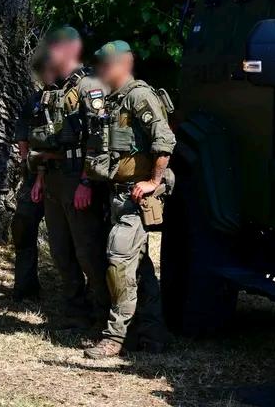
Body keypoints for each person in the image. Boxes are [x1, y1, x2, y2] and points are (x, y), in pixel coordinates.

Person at [83, 40, 173, 359]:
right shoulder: (113, 100)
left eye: (106, 63)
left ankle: (114, 337)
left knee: (118, 261)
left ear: (125, 63)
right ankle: (152, 334)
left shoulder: (139, 96)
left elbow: (164, 141)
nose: (101, 69)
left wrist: (153, 182)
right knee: (139, 268)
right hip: (118, 195)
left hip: (138, 197)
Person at [26, 26, 110, 330]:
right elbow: (45, 139)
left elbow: (100, 139)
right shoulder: (52, 90)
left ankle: (103, 313)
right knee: (61, 251)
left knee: (88, 251)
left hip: (78, 178)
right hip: (53, 180)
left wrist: (87, 181)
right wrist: (39, 178)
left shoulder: (90, 86)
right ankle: (76, 311)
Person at [11, 48, 55, 301]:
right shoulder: (34, 101)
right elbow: (22, 136)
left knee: (69, 238)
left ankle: (80, 294)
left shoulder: (73, 99)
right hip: (33, 176)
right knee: (22, 225)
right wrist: (27, 161)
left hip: (60, 176)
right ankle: (25, 286)